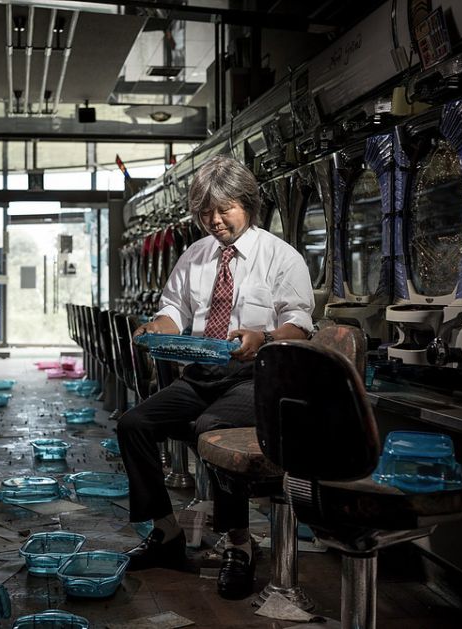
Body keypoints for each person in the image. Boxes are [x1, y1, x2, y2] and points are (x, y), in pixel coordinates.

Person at [117, 155, 315, 600]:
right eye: (206, 212)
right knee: (133, 424)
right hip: (202, 372)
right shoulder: (194, 255)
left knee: (211, 427)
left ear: (248, 204)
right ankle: (166, 532)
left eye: (225, 209)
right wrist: (157, 328)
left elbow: (300, 324)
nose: (215, 220)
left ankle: (238, 545)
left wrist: (263, 337)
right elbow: (174, 309)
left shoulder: (281, 256)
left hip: (255, 377)